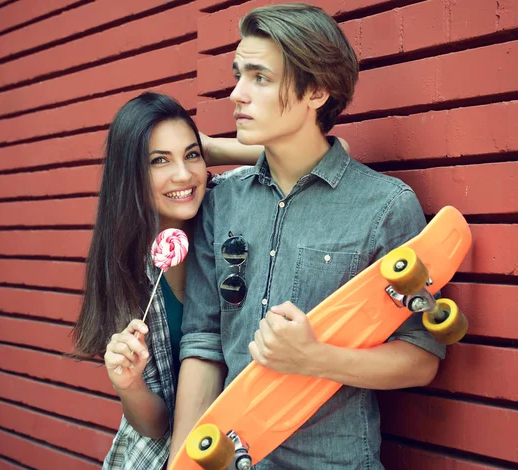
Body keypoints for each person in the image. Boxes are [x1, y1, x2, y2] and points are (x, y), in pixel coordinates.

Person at [169, 4, 445, 469]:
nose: (236, 94)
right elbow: (202, 345)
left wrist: (316, 358)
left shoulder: (384, 207)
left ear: (317, 90)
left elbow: (421, 358)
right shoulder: (221, 201)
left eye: (259, 78)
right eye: (238, 74)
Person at [70, 91, 268, 469]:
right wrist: (129, 385)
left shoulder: (230, 205)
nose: (183, 175)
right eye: (160, 160)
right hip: (164, 456)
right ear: (131, 173)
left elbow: (323, 151)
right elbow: (155, 424)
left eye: (190, 155)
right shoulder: (125, 265)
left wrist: (211, 148)